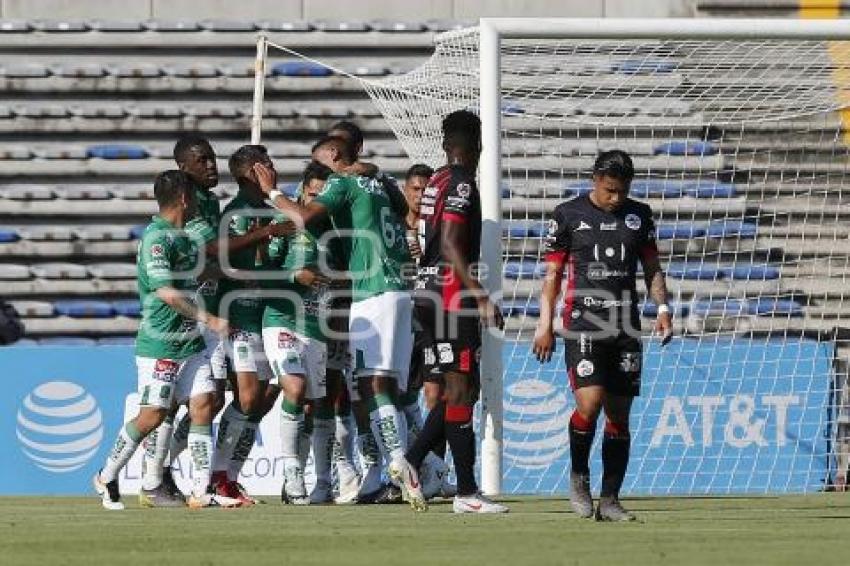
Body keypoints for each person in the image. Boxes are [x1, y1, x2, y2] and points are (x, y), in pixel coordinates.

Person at [254, 136, 415, 505]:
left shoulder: (341, 182)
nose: (320, 175)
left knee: (372, 388)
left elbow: (303, 216)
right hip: (398, 290)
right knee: (385, 389)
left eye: (320, 161)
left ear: (336, 156)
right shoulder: (378, 183)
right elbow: (401, 208)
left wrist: (272, 191)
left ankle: (399, 464)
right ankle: (394, 468)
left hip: (371, 294)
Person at [532, 150, 673, 522]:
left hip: (625, 326)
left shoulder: (639, 215)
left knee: (619, 415)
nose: (616, 198)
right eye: (610, 190)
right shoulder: (568, 214)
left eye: (622, 191)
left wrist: (662, 309)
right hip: (582, 323)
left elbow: (652, 268)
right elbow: (553, 277)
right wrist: (544, 324)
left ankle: (610, 500)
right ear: (595, 179)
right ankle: (579, 477)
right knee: (589, 404)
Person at [93, 170, 237, 510]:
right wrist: (210, 318)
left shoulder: (182, 237)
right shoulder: (157, 238)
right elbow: (167, 291)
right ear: (185, 199)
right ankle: (106, 475)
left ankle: (201, 491)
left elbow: (194, 274)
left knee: (203, 404)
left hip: (190, 343)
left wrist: (232, 273)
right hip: (161, 344)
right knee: (152, 417)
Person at [397, 110, 507, 514]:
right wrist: (478, 294)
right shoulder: (461, 182)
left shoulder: (438, 179)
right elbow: (449, 244)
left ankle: (410, 461)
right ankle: (465, 493)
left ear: (445, 144)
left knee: (462, 390)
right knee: (461, 390)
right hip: (449, 295)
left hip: (427, 293)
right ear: (478, 143)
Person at [210, 145, 290, 505]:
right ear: (251, 172)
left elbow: (263, 262)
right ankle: (215, 475)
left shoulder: (266, 212)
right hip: (239, 316)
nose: (273, 169)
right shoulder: (237, 213)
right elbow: (220, 252)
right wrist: (263, 236)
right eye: (266, 165)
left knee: (261, 399)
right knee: (246, 397)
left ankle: (229, 475)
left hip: (264, 316)